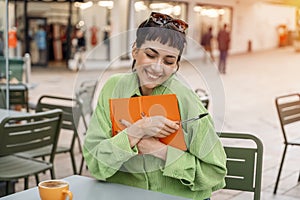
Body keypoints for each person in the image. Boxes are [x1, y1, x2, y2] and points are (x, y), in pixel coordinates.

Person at [83, 12, 227, 200]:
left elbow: (215, 173)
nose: (158, 68)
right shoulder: (113, 88)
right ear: (135, 50)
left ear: (176, 65)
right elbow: (95, 164)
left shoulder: (185, 97)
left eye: (169, 61)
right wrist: (136, 131)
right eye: (150, 55)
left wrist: (158, 150)